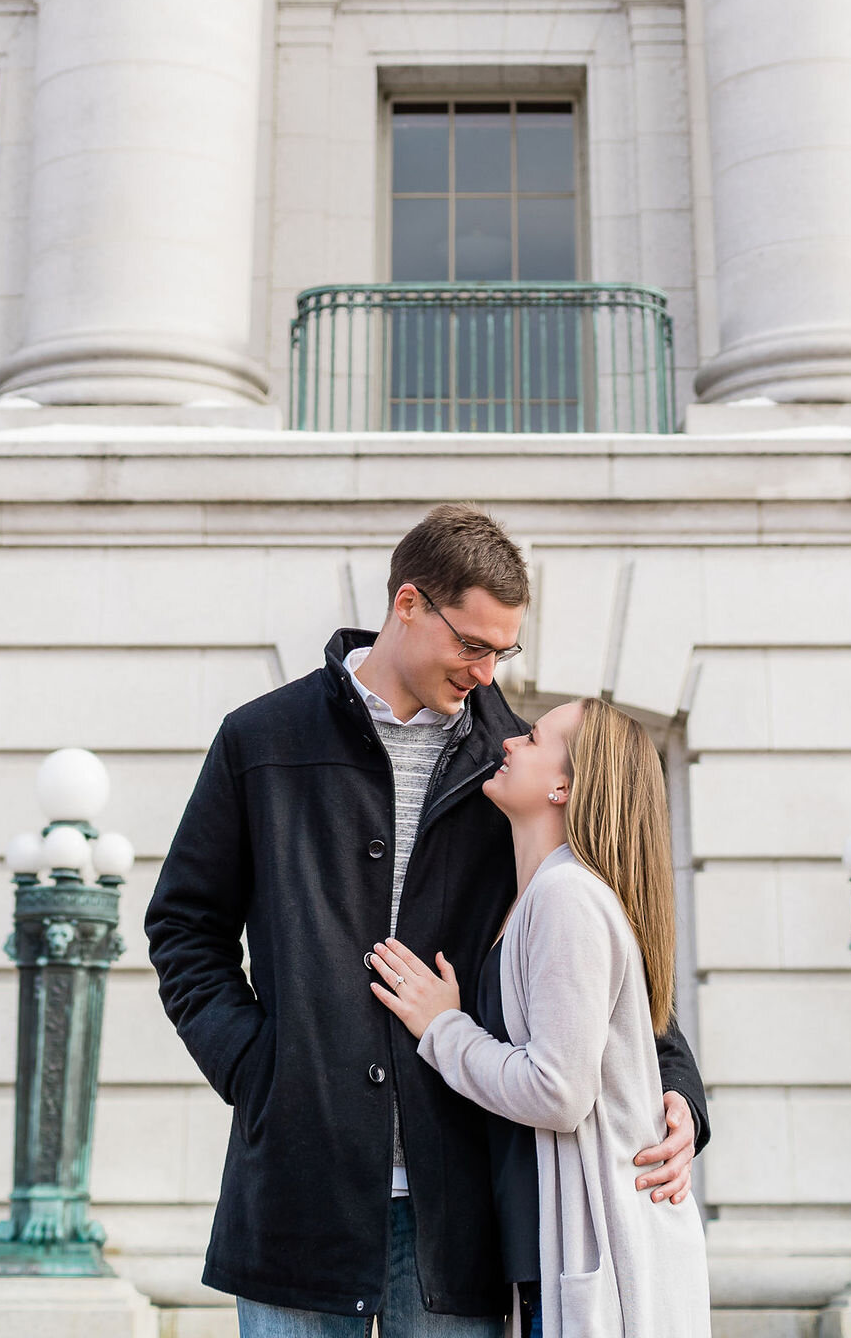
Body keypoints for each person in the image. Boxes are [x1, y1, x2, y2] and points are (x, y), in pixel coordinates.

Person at [145, 504, 708, 1334]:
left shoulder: (514, 765)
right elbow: (184, 929)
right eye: (472, 645)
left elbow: (605, 947)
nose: (487, 672)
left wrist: (680, 1092)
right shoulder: (262, 739)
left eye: (502, 651)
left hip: (462, 1212)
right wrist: (260, 1072)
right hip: (299, 1193)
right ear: (407, 604)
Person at [368, 697, 711, 1338]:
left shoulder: (566, 897)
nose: (510, 742)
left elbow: (558, 1091)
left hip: (602, 1257)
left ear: (564, 785)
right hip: (555, 1254)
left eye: (535, 737)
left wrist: (443, 1028)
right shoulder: (540, 894)